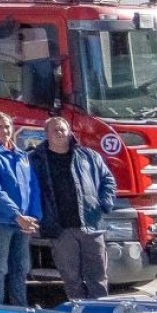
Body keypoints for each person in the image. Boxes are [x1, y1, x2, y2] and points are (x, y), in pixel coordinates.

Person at [29, 116, 116, 300]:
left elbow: (108, 180)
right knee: (71, 279)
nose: (60, 133)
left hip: (91, 226)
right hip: (61, 231)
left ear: (69, 132)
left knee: (98, 278)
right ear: (47, 135)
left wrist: (104, 204)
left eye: (63, 129)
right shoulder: (35, 160)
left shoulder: (89, 156)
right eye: (55, 130)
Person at [0, 112, 41, 306]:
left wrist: (33, 216)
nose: (4, 131)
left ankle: (19, 309)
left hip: (24, 222)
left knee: (21, 268)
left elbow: (33, 186)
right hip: (0, 221)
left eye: (7, 126)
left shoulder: (21, 155)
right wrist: (16, 215)